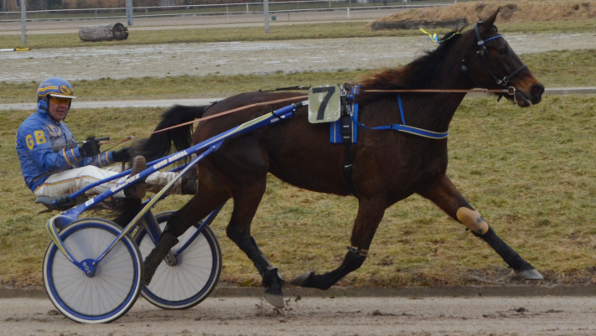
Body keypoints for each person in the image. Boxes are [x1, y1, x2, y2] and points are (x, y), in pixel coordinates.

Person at [16, 77, 197, 202]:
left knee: (121, 170)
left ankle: (184, 183)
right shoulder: (32, 127)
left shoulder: (62, 127)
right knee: (87, 174)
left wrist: (116, 156)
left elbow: (85, 161)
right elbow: (48, 164)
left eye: (66, 101)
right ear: (43, 101)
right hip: (45, 183)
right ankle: (128, 187)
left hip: (68, 176)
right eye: (58, 100)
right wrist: (80, 151)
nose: (63, 106)